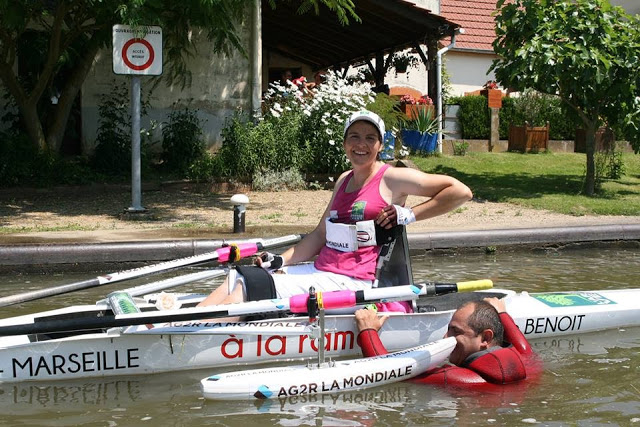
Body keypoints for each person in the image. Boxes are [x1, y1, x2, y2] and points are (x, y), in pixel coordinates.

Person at [197, 110, 472, 316]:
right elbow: (319, 235)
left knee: (251, 287)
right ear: (344, 143)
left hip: (353, 281)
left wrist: (409, 214)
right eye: (354, 136)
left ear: (380, 145)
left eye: (370, 138)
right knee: (239, 275)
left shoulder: (393, 178)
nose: (361, 144)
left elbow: (460, 191)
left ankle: (191, 334)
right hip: (322, 270)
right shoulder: (343, 180)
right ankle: (181, 325)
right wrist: (280, 261)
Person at [355, 297, 542, 386]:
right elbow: (523, 347)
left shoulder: (457, 378)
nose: (446, 338)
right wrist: (501, 312)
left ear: (486, 338)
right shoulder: (527, 365)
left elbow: (390, 372)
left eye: (456, 331)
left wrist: (368, 330)